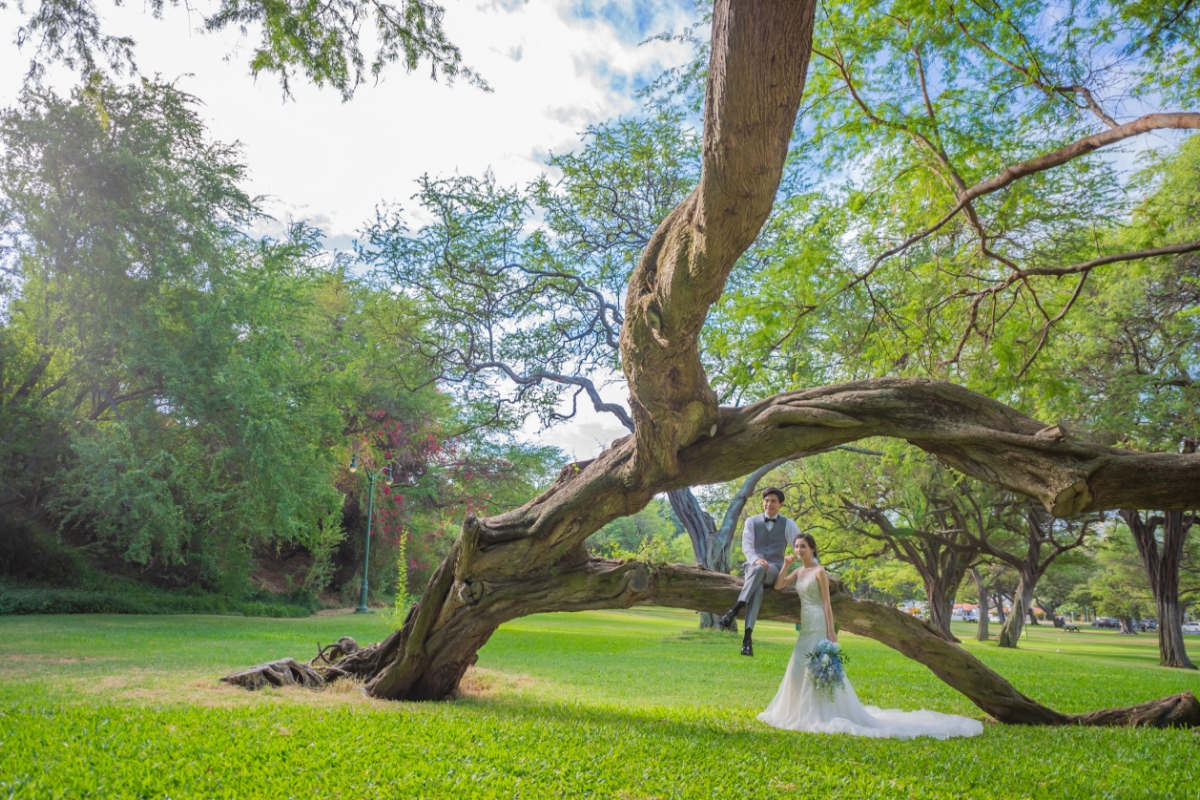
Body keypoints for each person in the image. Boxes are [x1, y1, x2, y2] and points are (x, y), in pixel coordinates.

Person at [757, 533, 985, 739]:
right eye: (796, 547)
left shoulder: (819, 572)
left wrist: (831, 630)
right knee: (799, 665)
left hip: (817, 620)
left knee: (816, 665)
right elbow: (778, 585)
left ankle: (820, 710)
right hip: (804, 621)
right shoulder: (799, 571)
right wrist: (786, 566)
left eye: (803, 547)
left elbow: (826, 603)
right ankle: (796, 709)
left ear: (813, 549)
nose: (799, 550)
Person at [718, 487, 799, 656]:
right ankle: (747, 641)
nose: (769, 504)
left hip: (774, 569)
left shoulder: (788, 524)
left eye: (773, 501)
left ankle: (734, 609)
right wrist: (756, 559)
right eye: (766, 500)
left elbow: (800, 545)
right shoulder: (751, 521)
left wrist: (814, 565)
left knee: (762, 569)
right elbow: (746, 546)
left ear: (781, 504)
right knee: (758, 588)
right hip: (753, 566)